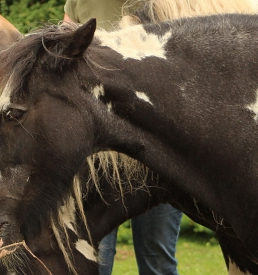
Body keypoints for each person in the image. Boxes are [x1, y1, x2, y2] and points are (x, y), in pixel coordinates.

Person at [63, 1, 182, 274]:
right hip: (99, 156)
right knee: (95, 259)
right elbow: (65, 55)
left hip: (153, 153)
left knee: (156, 261)